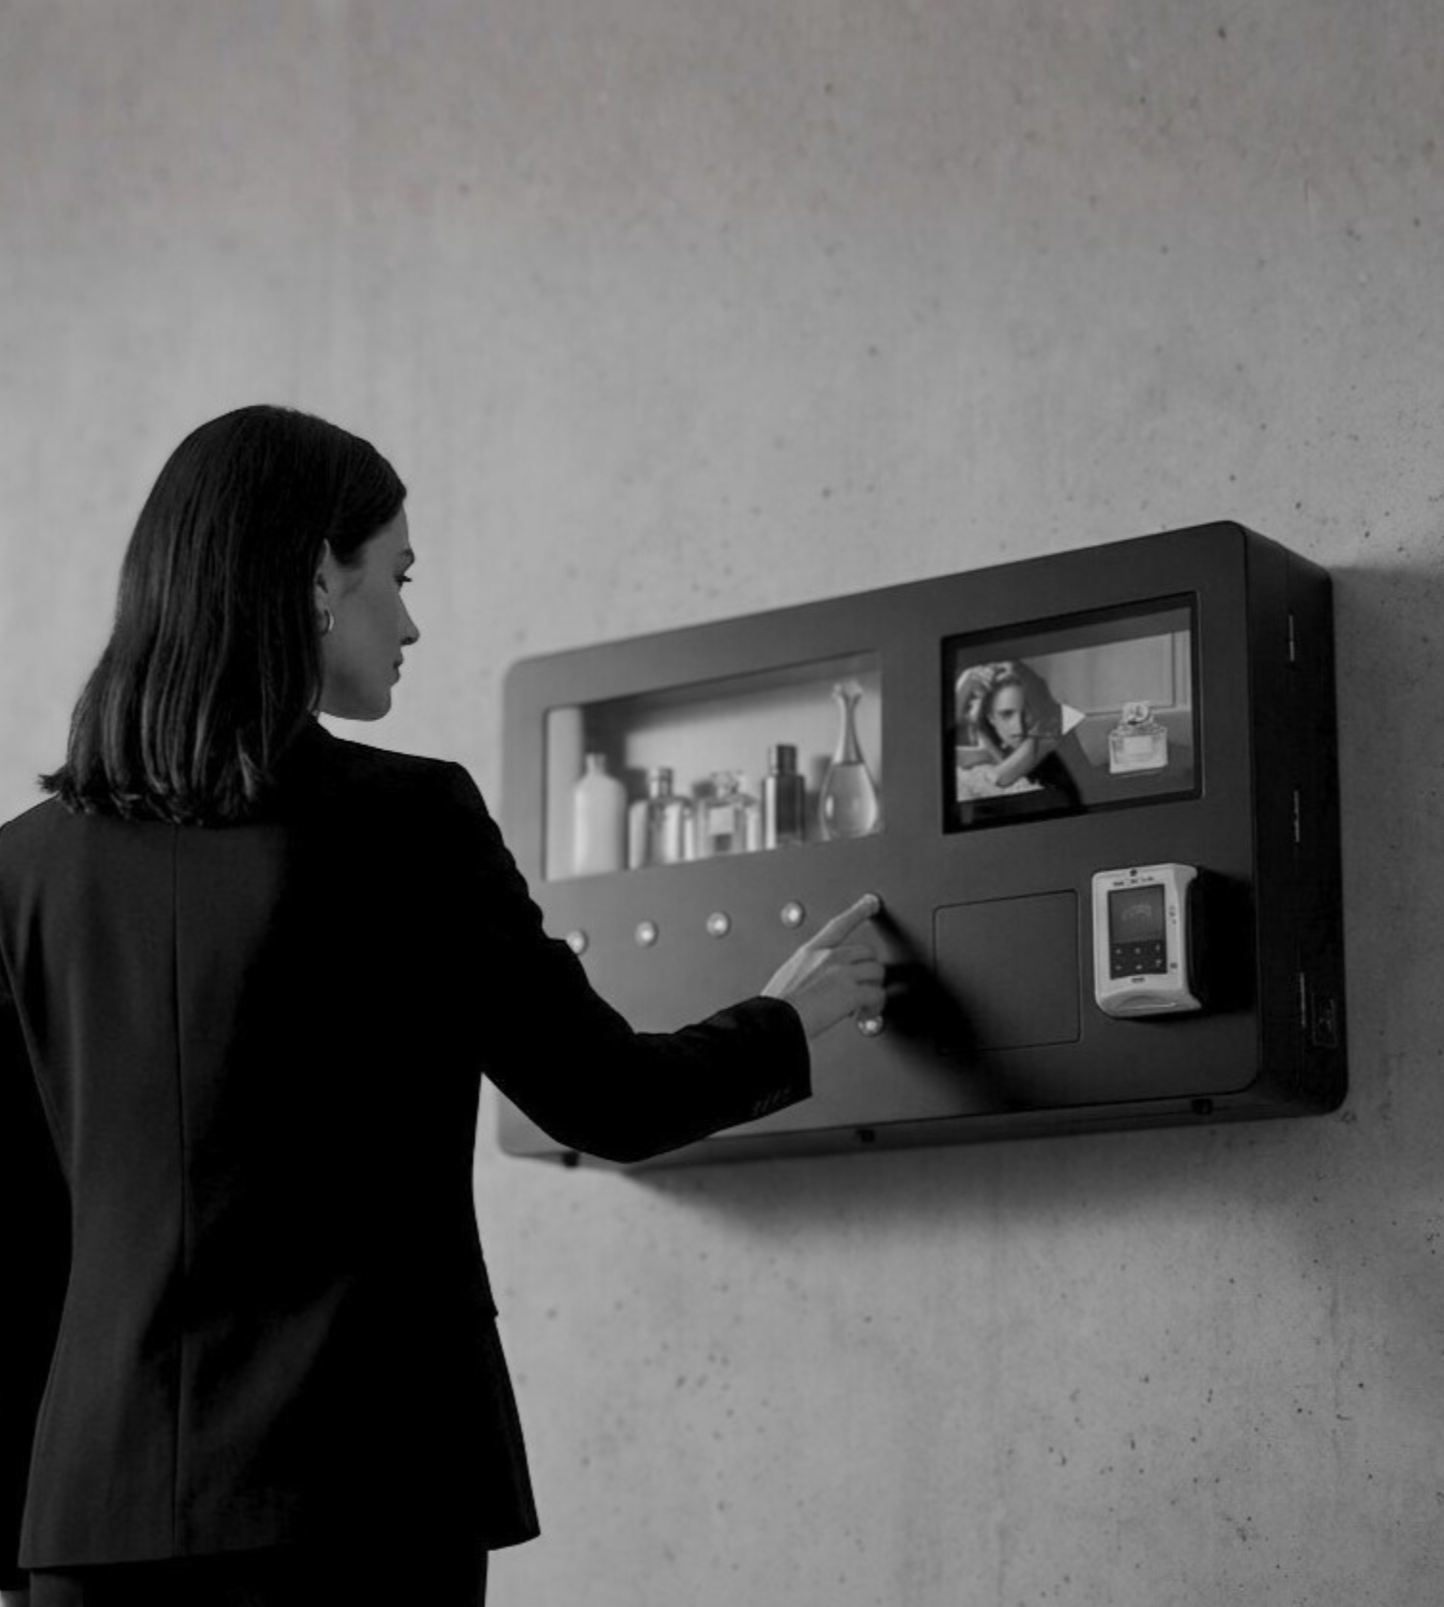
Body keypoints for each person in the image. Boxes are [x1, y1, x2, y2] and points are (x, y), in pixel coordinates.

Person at [0, 406, 885, 1607]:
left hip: (88, 1525)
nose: (411, 621)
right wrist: (789, 1016)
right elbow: (603, 1096)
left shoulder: (22, 871)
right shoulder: (405, 821)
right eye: (398, 575)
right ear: (318, 572)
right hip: (363, 1500)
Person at [953, 659, 1065, 796]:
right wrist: (966, 683)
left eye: (1026, 713)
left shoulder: (1049, 733)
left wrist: (986, 746)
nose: (1018, 726)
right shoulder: (998, 749)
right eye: (1006, 715)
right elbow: (940, 753)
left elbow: (998, 777)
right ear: (991, 718)